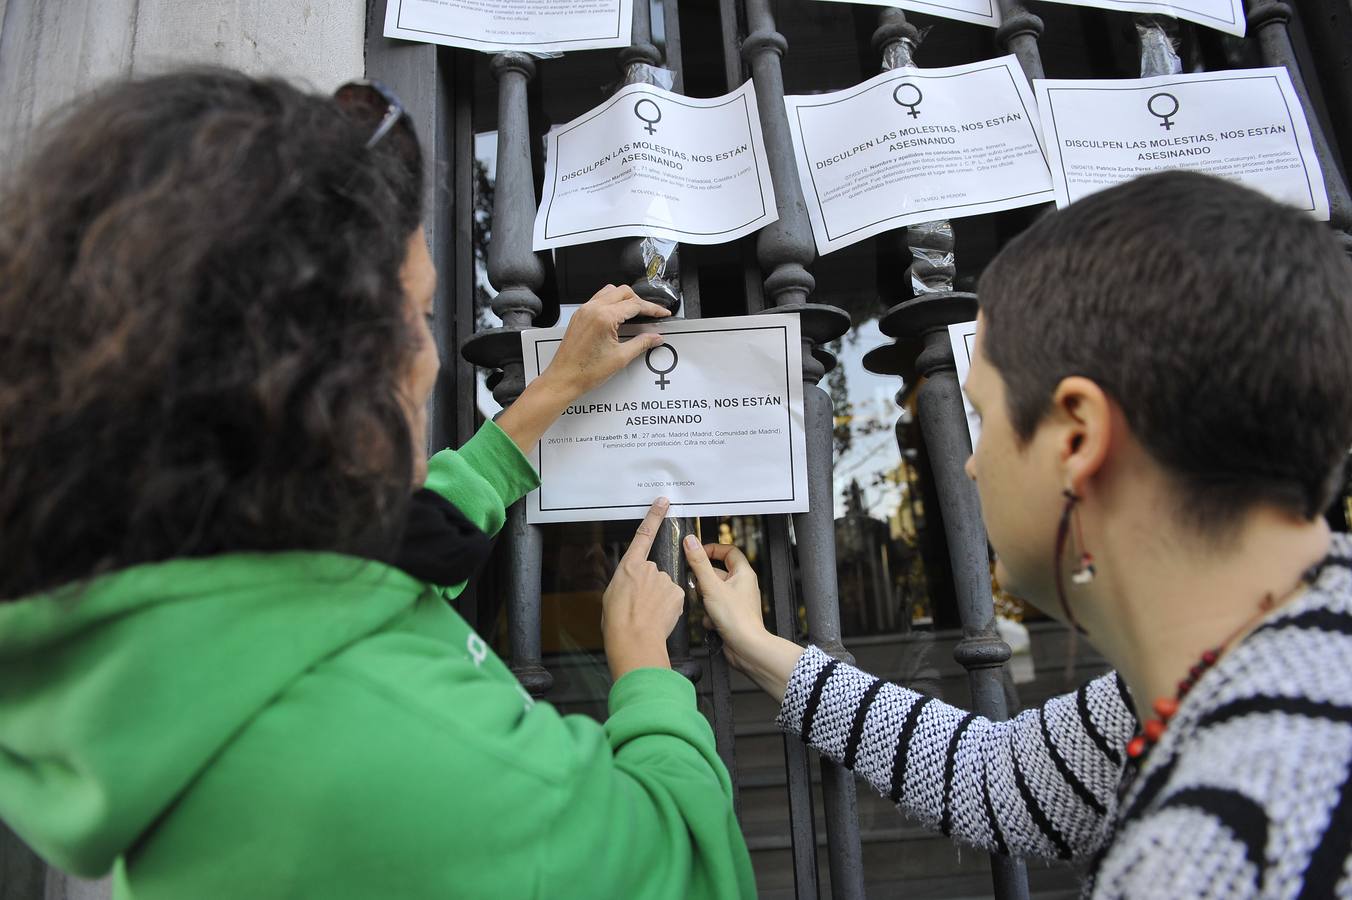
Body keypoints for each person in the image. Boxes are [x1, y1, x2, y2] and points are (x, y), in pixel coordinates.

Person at [0, 69, 755, 898]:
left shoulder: (168, 624)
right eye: (419, 315)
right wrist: (646, 669)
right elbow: (688, 870)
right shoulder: (411, 755)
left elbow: (395, 549)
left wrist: (549, 394)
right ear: (327, 375)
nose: (430, 359)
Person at [686, 171, 1352, 898]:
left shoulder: (1217, 855)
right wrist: (758, 645)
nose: (969, 462)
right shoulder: (1238, 666)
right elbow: (996, 777)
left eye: (984, 415)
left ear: (1076, 437)